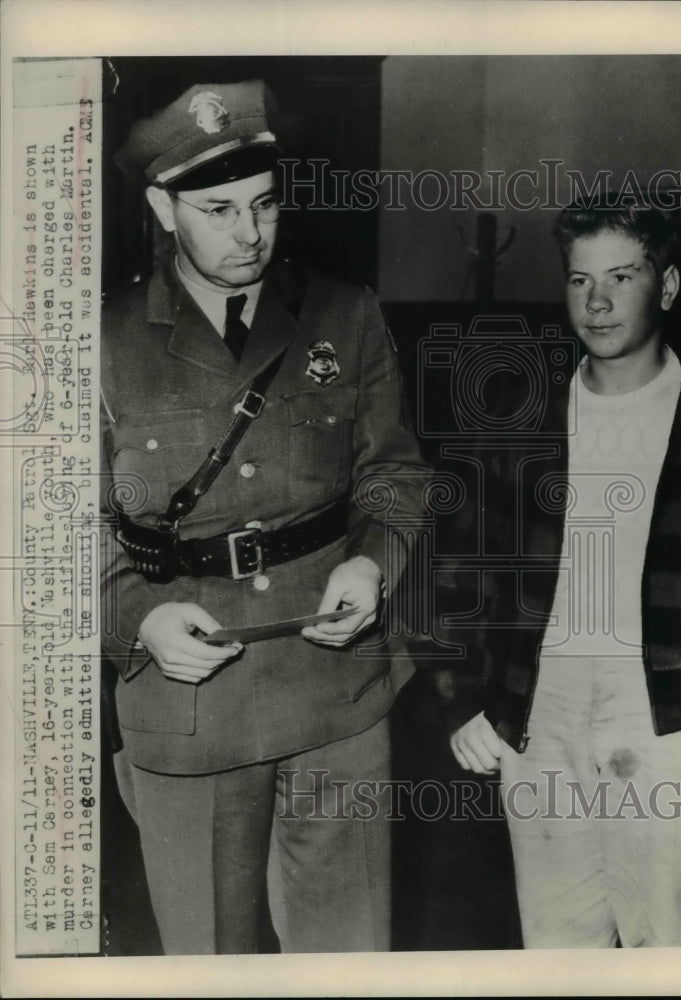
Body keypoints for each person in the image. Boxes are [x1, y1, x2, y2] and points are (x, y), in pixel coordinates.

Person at [100, 79, 430, 955]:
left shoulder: (344, 315)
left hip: (337, 695)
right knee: (208, 961)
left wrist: (372, 565)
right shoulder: (101, 342)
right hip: (188, 704)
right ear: (161, 210)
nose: (249, 234)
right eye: (217, 209)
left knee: (349, 957)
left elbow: (392, 477)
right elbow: (52, 533)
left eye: (264, 205)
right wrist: (140, 616)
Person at [449, 199, 681, 947]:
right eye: (580, 281)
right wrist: (460, 695)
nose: (599, 301)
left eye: (621, 276)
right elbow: (459, 561)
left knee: (667, 947)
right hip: (539, 703)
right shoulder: (520, 410)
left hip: (678, 705)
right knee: (556, 947)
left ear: (667, 286)